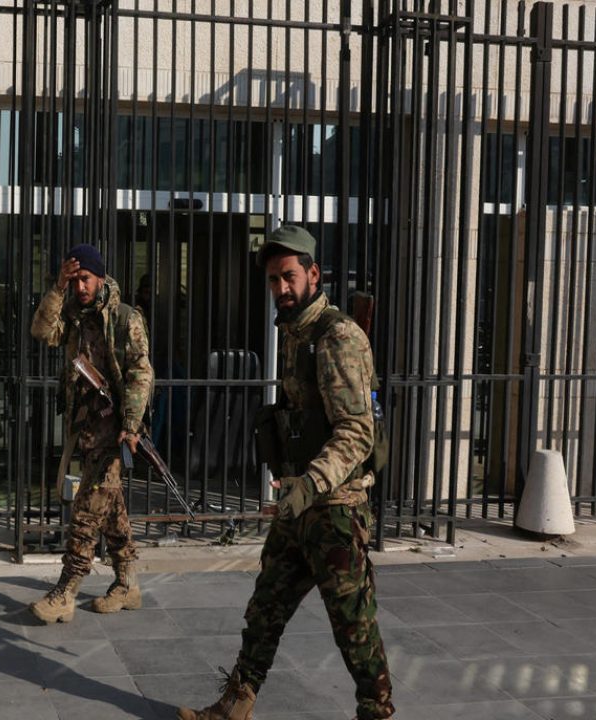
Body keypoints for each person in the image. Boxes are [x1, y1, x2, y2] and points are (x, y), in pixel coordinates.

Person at [176, 225, 394, 720]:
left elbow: (357, 431)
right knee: (264, 612)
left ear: (314, 274)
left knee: (354, 627)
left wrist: (310, 485)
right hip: (300, 505)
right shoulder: (296, 333)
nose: (281, 288)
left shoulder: (337, 337)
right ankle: (235, 706)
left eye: (289, 277)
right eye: (274, 280)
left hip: (335, 509)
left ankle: (377, 712)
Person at [28, 243, 154, 624]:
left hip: (114, 429)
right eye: (76, 279)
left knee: (87, 508)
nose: (81, 286)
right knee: (109, 504)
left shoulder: (124, 318)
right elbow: (41, 331)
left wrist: (131, 425)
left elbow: (140, 373)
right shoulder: (72, 313)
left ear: (100, 277)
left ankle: (67, 589)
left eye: (86, 278)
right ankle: (128, 583)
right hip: (83, 426)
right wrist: (56, 288)